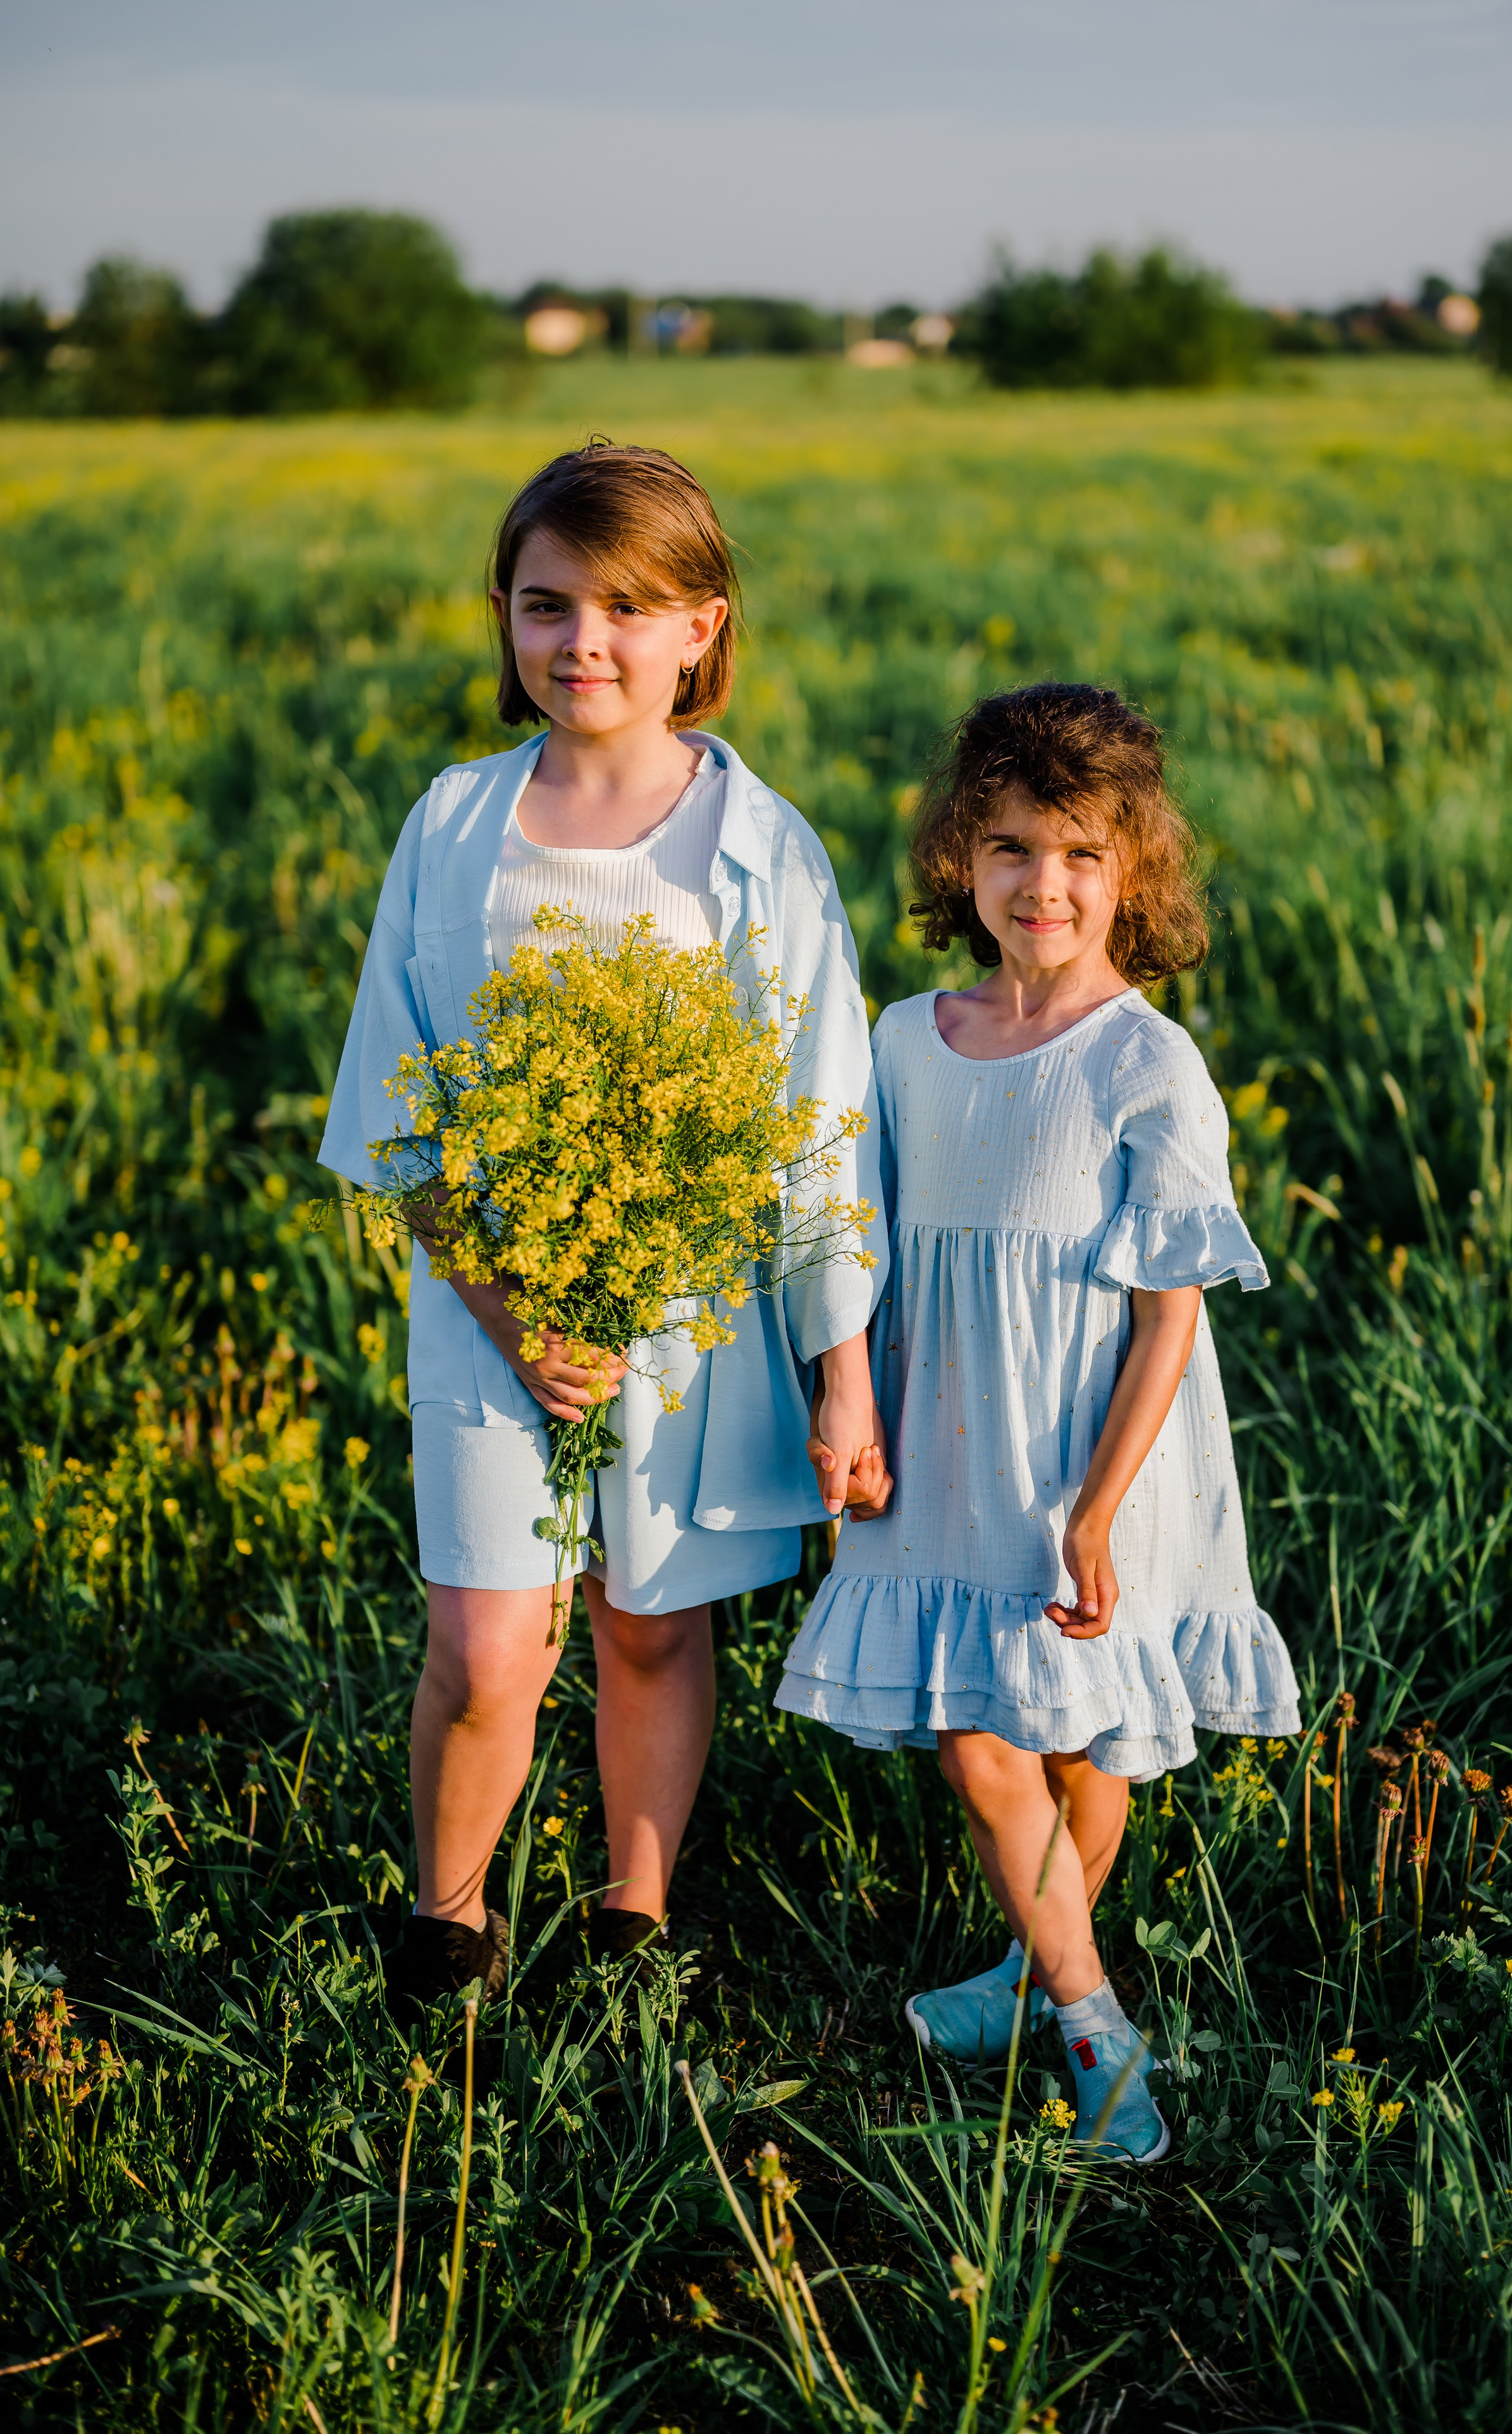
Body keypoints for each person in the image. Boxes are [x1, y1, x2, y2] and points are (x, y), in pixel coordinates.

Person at [319, 442, 890, 2015]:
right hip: (489, 1298)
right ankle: (446, 1929)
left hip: (689, 1304)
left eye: (629, 608)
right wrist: (513, 1312)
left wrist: (841, 1369)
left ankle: (632, 1919)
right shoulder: (455, 822)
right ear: (503, 617)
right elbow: (394, 1104)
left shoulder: (760, 844)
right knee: (491, 1648)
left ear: (701, 628)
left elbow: (822, 1121)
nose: (584, 641)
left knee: (647, 1627)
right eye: (547, 603)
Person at [775, 683, 1299, 2160]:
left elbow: (1167, 1316)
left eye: (1078, 853)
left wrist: (1094, 1511)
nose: (1041, 885)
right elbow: (852, 1234)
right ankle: (1088, 2013)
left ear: (1133, 868)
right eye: (1008, 847)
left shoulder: (1142, 1060)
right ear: (962, 857)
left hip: (1092, 1448)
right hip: (943, 1435)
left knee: (1081, 1746)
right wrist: (845, 1388)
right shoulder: (904, 1038)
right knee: (974, 1731)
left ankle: (1033, 1984)